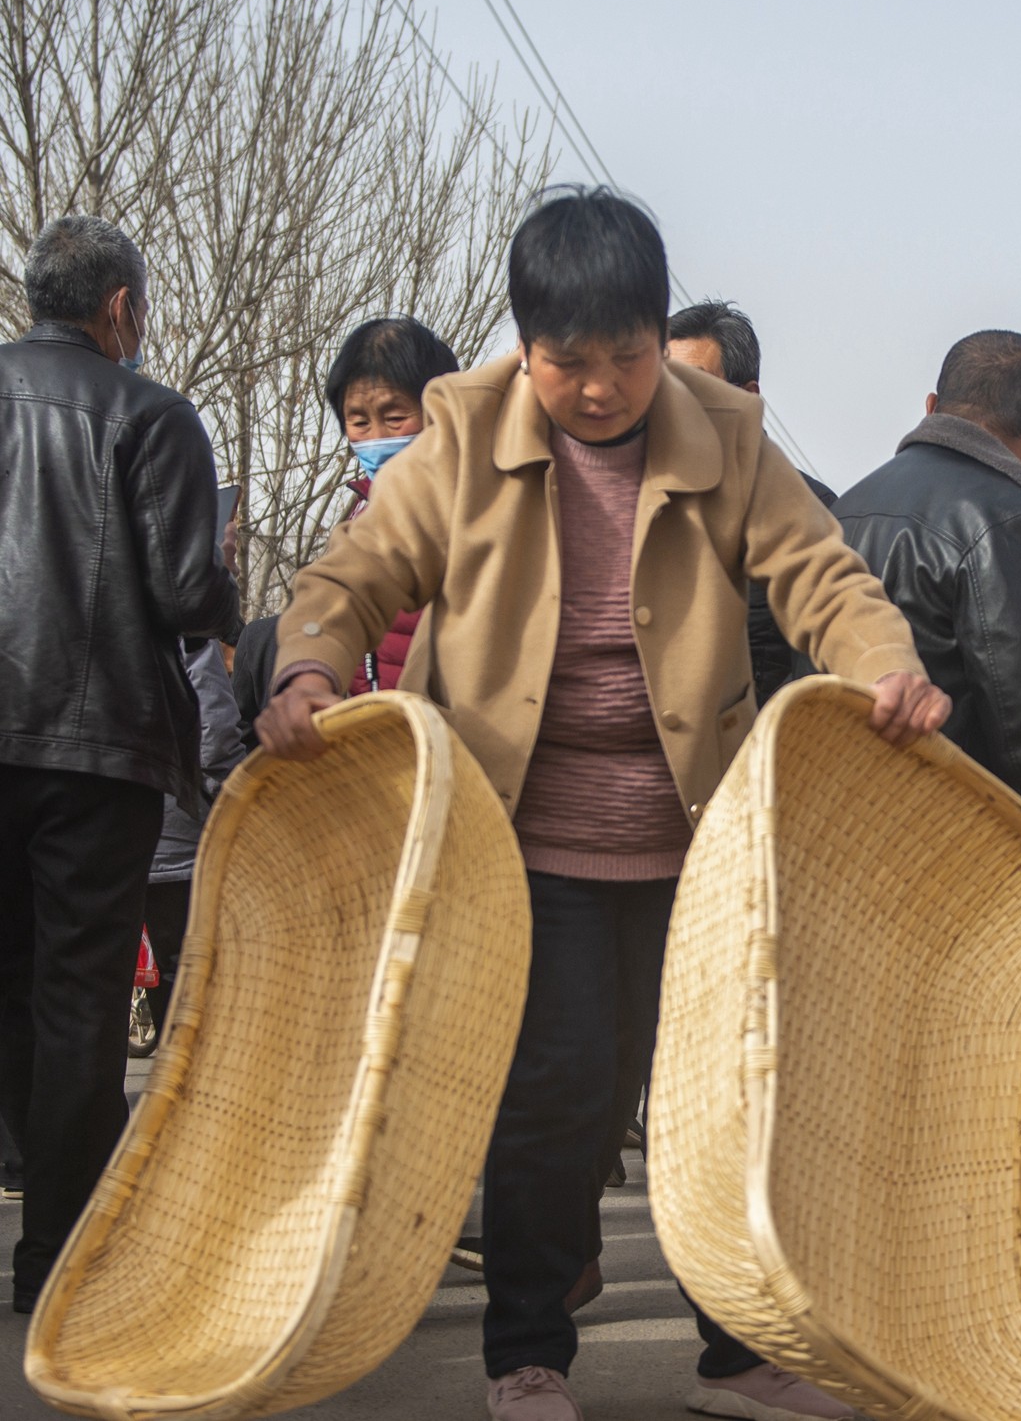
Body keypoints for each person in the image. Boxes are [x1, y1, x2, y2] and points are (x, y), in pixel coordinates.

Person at [257, 186, 950, 1421]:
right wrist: (306, 666)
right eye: (564, 362)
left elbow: (820, 574)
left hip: (691, 840)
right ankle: (527, 1355)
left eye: (625, 358)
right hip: (521, 837)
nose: (596, 389)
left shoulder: (725, 434)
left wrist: (881, 663)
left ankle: (737, 1354)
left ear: (654, 336)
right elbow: (355, 572)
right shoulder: (460, 434)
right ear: (522, 346)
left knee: (715, 1097)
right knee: (559, 1096)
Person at [0, 214, 239, 1312]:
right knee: (79, 1002)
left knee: (12, 989)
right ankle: (58, 1257)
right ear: (120, 309)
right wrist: (224, 586)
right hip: (98, 748)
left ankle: (38, 1198)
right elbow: (188, 596)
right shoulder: (152, 417)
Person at [828, 329, 1021, 977]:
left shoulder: (844, 510)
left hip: (836, 847)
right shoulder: (1010, 520)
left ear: (932, 405)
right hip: (956, 868)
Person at [232, 317, 459, 746]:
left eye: (395, 417)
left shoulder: (475, 508)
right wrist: (308, 676)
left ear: (444, 412)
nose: (377, 438)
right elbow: (337, 595)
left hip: (449, 745)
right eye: (359, 422)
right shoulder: (361, 513)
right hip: (374, 749)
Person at [667, 299, 837, 703]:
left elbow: (827, 653)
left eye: (695, 385)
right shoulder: (644, 500)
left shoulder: (809, 510)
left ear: (747, 398)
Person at [144, 639, 246, 1032]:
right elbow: (214, 737)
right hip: (179, 830)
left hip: (94, 827)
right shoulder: (185, 628)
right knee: (193, 975)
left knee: (98, 977)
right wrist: (239, 798)